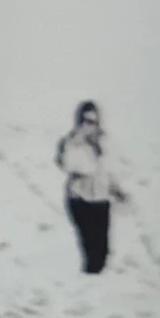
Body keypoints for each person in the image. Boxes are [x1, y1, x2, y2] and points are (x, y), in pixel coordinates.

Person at [56, 101, 128, 274]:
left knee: (103, 251)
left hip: (101, 200)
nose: (91, 126)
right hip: (80, 200)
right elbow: (82, 167)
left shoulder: (105, 142)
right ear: (79, 121)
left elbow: (109, 169)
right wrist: (84, 142)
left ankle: (95, 288)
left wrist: (116, 189)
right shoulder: (72, 143)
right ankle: (88, 287)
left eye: (94, 121)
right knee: (91, 250)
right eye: (87, 121)